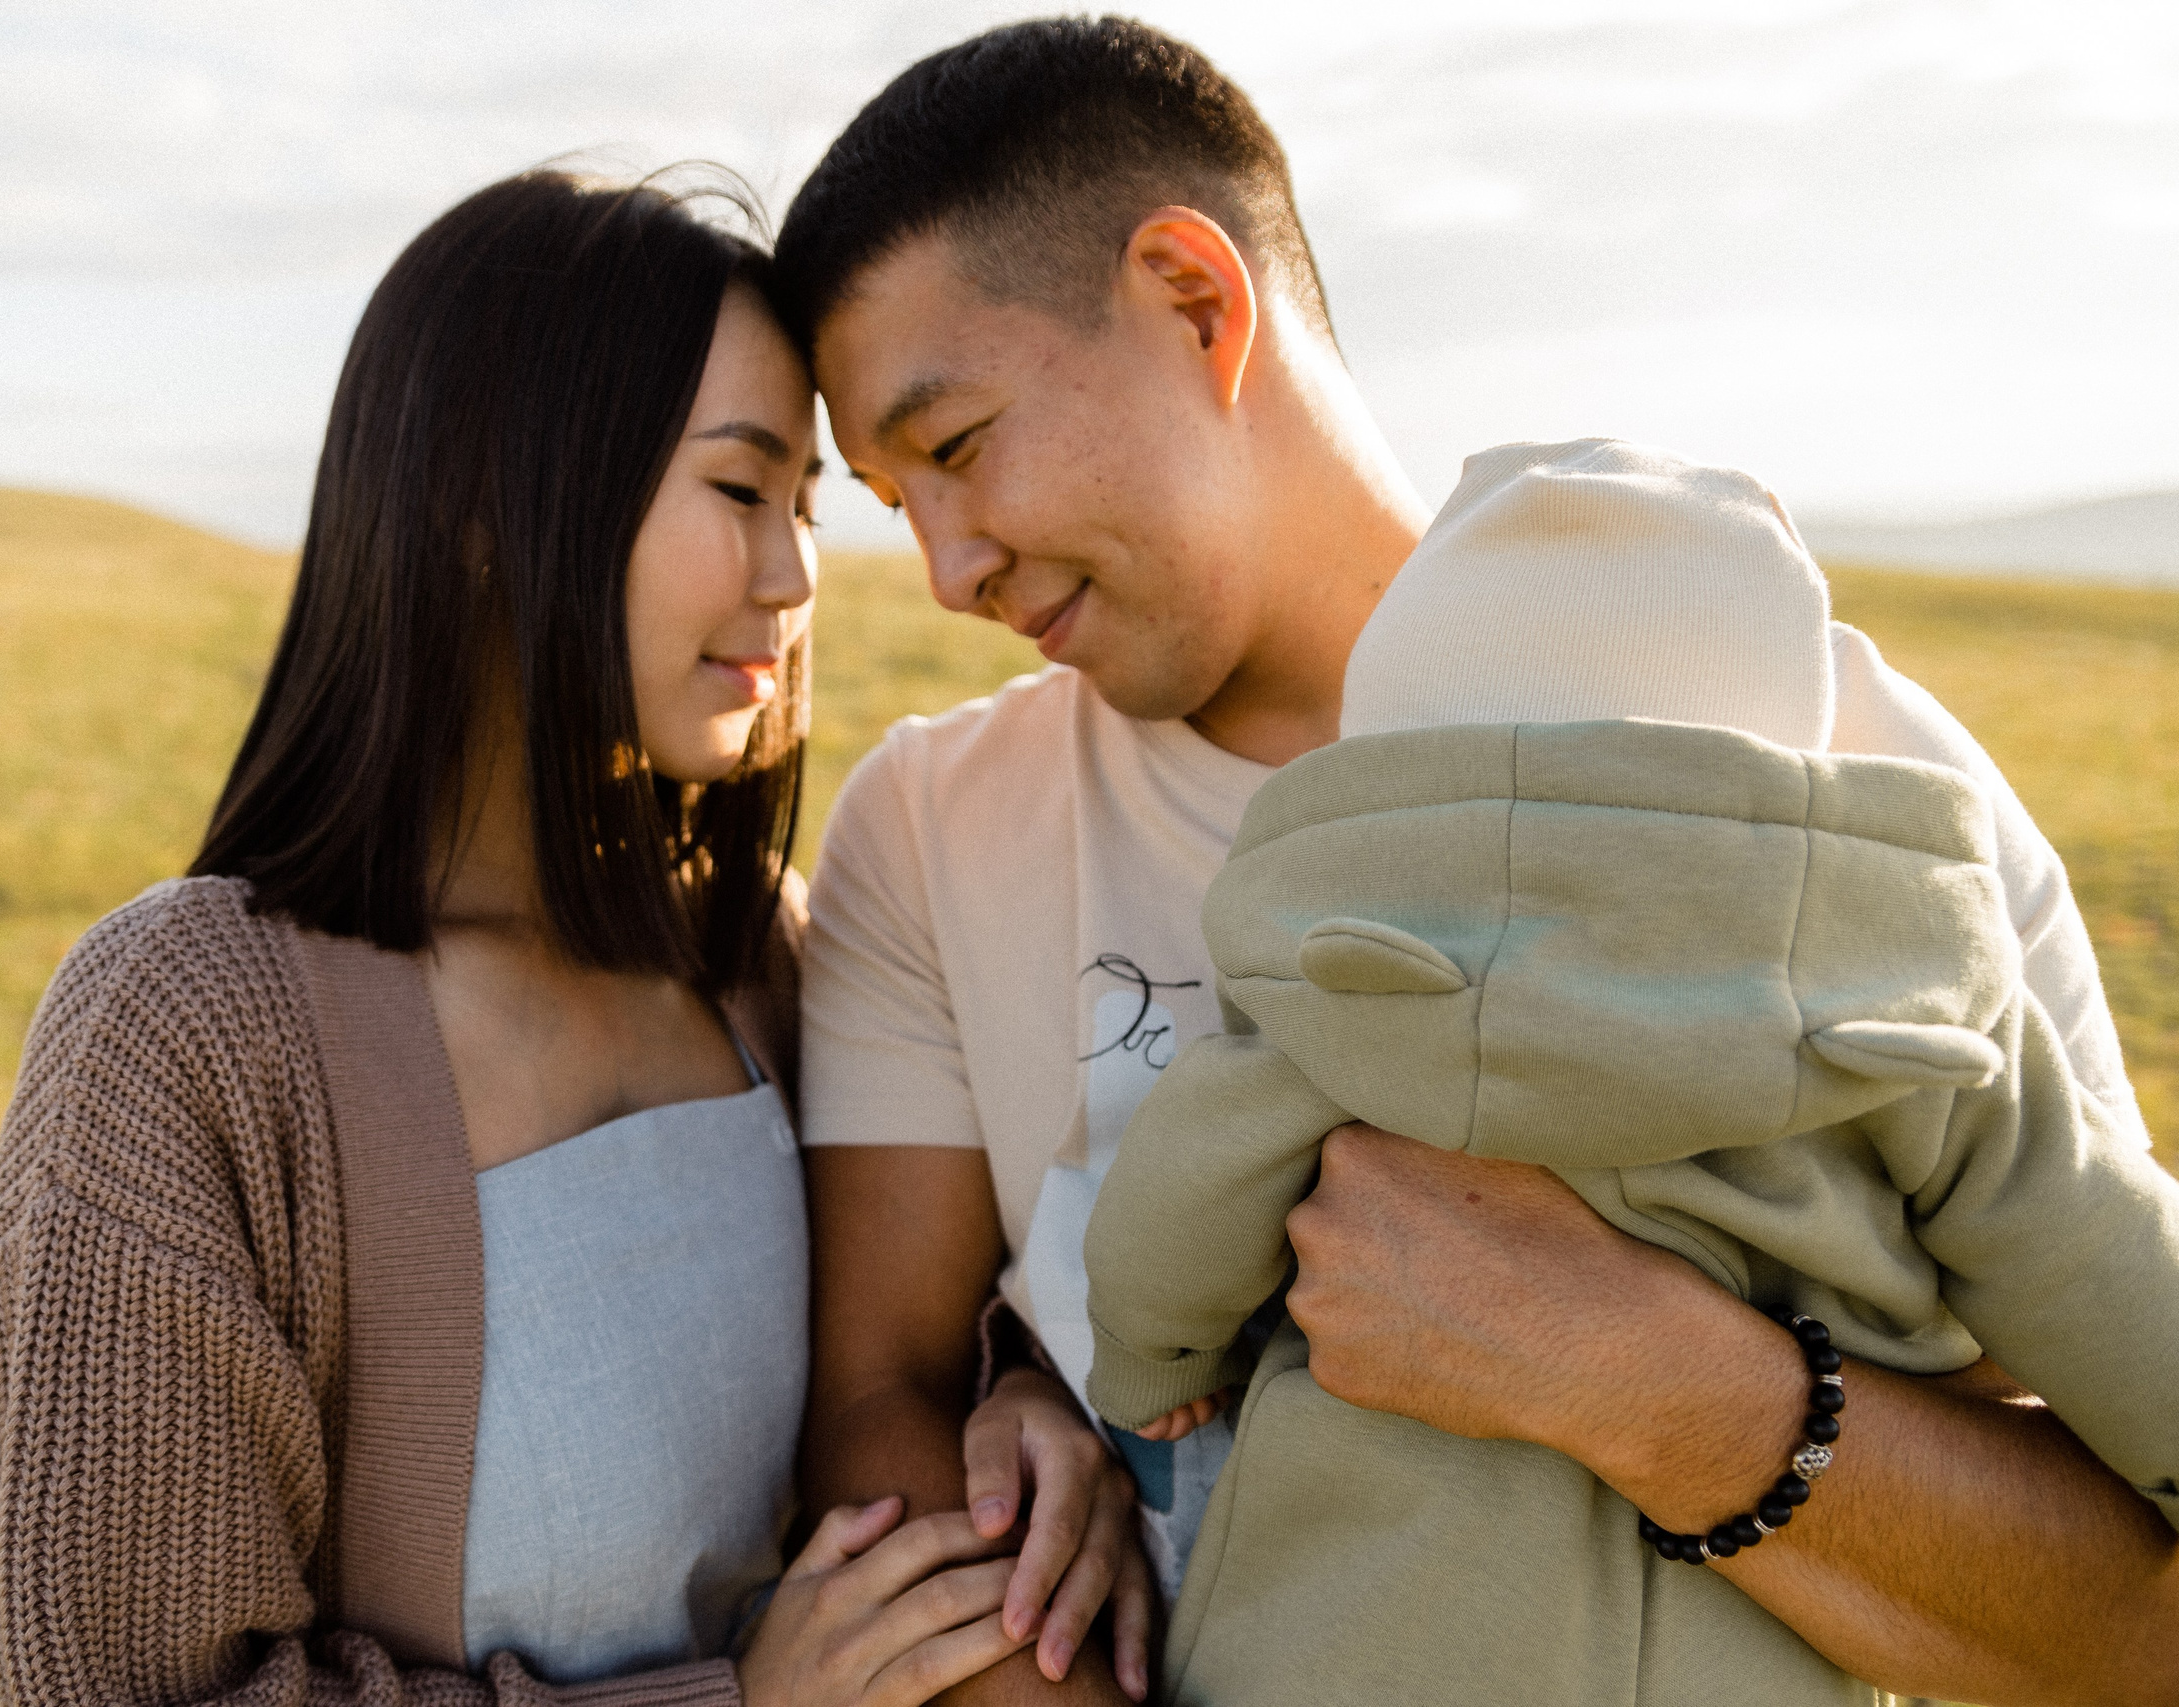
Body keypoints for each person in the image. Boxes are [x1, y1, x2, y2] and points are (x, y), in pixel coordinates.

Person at [771, 18, 2179, 1706]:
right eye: (882, 496)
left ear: (1195, 300)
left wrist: (1656, 1384)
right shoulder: (933, 828)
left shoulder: (1848, 780)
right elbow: (879, 1402)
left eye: (958, 443)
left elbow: (2135, 1624)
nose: (941, 566)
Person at [0, 169, 1134, 1707]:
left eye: (805, 508)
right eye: (735, 488)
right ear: (483, 508)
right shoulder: (187, 1030)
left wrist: (1021, 1421)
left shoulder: (758, 964)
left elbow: (892, 1371)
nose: (794, 577)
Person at [1082, 436, 2179, 1704]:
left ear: (1392, 749)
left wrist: (1152, 1363)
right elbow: (2083, 1239)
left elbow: (1193, 1169)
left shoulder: (1341, 977)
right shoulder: (1910, 1010)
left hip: (1350, 1640)